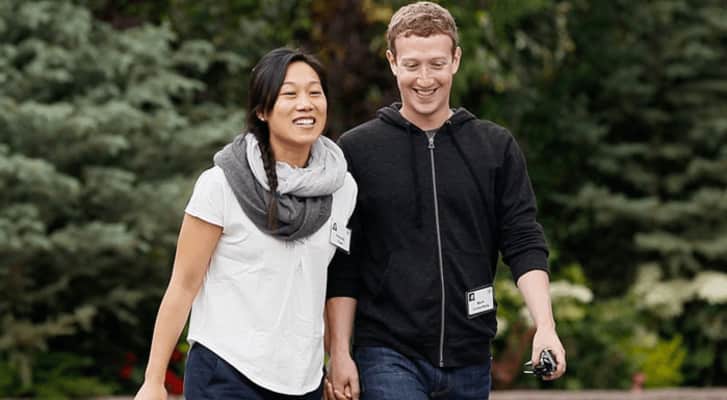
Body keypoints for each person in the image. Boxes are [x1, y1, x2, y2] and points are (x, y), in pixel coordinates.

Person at [324, 2, 566, 399]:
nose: (425, 79)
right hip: (387, 354)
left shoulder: (495, 147)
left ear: (456, 60)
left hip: (470, 357)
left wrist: (546, 326)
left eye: (436, 64)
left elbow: (523, 241)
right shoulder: (357, 150)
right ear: (392, 62)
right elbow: (343, 262)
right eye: (412, 65)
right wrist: (339, 352)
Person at [134, 48, 357, 400]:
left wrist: (338, 354)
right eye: (289, 94)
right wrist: (153, 380)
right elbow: (183, 285)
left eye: (315, 92)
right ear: (262, 111)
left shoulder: (342, 188)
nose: (305, 104)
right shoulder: (221, 184)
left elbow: (332, 280)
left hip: (304, 380)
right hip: (226, 372)